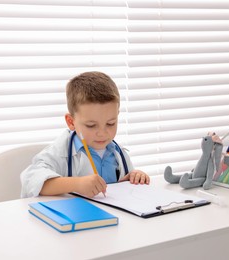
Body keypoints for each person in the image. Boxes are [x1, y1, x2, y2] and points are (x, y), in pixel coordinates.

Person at [20, 71, 150, 198]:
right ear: (71, 122)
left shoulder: (118, 153)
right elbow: (31, 181)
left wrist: (133, 178)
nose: (102, 133)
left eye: (110, 123)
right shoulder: (59, 152)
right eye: (91, 125)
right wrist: (77, 184)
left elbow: (115, 193)